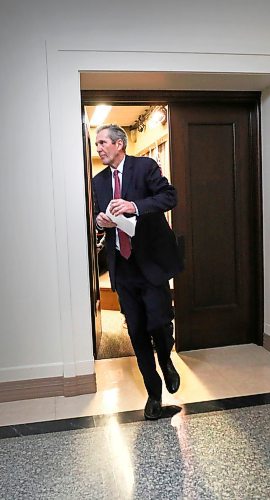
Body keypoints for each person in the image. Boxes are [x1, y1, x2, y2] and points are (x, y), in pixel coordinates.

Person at [92, 124, 184, 419]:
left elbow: (169, 197)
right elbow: (96, 215)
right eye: (97, 145)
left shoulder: (144, 167)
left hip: (151, 264)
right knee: (136, 332)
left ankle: (166, 359)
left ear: (119, 144)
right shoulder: (98, 181)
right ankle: (153, 395)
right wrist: (99, 222)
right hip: (123, 267)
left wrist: (134, 205)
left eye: (103, 142)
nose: (99, 148)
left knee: (158, 321)